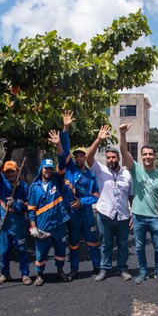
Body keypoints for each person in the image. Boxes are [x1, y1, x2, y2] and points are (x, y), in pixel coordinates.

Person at [119, 123, 158, 284]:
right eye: (145, 154)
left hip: (155, 217)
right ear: (141, 156)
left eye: (150, 154)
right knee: (139, 247)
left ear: (155, 156)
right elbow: (124, 152)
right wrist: (122, 134)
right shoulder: (135, 169)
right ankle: (142, 271)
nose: (147, 156)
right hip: (138, 216)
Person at [86, 125, 135, 281]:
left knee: (123, 245)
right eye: (108, 158)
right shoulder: (100, 170)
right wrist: (98, 139)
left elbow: (131, 196)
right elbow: (88, 157)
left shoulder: (126, 173)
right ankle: (104, 269)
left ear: (118, 158)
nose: (110, 160)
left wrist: (132, 214)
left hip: (122, 216)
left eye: (113, 157)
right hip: (104, 215)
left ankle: (122, 268)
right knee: (105, 244)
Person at [59, 111, 101, 278]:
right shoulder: (69, 169)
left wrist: (82, 201)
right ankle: (74, 269)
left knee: (93, 242)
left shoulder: (91, 175)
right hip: (72, 214)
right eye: (76, 156)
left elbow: (96, 195)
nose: (78, 158)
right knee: (74, 244)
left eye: (81, 156)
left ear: (85, 157)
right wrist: (65, 128)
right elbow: (64, 149)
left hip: (87, 214)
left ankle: (97, 267)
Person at [27, 130, 71, 286]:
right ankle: (40, 275)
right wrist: (33, 227)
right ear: (42, 169)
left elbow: (63, 162)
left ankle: (60, 271)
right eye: (46, 168)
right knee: (41, 251)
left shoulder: (57, 180)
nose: (48, 171)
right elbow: (31, 210)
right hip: (43, 226)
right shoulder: (34, 188)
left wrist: (58, 145)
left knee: (60, 250)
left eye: (50, 168)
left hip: (58, 225)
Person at [0, 141, 31, 285]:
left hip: (18, 225)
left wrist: (16, 204)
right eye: (8, 172)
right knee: (4, 251)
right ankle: (5, 274)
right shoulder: (2, 183)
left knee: (22, 250)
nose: (10, 174)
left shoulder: (24, 187)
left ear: (17, 171)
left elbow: (29, 206)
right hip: (4, 224)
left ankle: (25, 274)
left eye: (12, 171)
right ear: (4, 173)